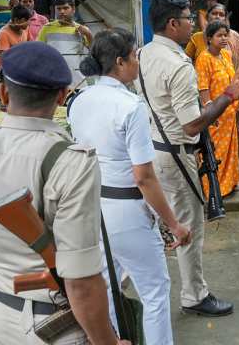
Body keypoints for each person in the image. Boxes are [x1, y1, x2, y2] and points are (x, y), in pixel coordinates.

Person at [0, 40, 129, 344]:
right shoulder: (72, 161)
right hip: (56, 325)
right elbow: (81, 282)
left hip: (1, 315)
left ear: (3, 93)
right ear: (62, 96)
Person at [136, 0, 239, 317]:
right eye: (190, 18)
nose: (195, 23)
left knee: (150, 223)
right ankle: (194, 295)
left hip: (152, 150)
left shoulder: (144, 53)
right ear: (173, 23)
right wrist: (229, 95)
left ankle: (126, 289)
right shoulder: (179, 65)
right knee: (188, 226)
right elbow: (192, 125)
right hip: (176, 155)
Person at [69, 29, 190, 344]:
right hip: (126, 209)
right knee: (155, 291)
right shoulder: (131, 105)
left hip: (94, 206)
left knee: (107, 283)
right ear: (120, 62)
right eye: (135, 56)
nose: (138, 62)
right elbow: (144, 177)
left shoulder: (79, 100)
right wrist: (173, 223)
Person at [194, 20, 239, 197]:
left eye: (225, 35)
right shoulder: (203, 59)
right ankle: (212, 190)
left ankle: (228, 185)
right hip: (216, 116)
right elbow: (203, 89)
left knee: (230, 152)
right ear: (209, 38)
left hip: (230, 112)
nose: (223, 38)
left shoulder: (226, 55)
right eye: (219, 35)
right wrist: (209, 114)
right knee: (215, 153)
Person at [37, 0, 92, 88]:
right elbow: (39, 53)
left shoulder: (82, 30)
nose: (62, 11)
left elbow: (93, 52)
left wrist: (88, 34)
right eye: (59, 9)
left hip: (78, 83)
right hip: (54, 82)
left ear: (73, 9)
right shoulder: (46, 28)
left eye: (65, 8)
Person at [186, 3, 239, 68]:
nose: (217, 17)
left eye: (221, 15)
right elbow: (186, 59)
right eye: (214, 14)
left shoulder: (233, 35)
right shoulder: (197, 37)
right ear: (207, 17)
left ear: (225, 19)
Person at [0, 6, 31, 72]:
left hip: (17, 66)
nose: (28, 23)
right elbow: (6, 59)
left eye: (28, 20)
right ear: (16, 20)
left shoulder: (25, 28)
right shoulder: (4, 33)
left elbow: (29, 46)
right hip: (3, 70)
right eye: (25, 20)